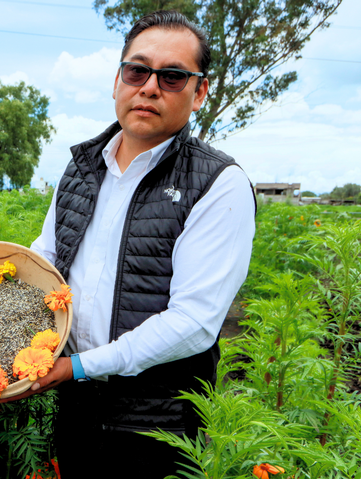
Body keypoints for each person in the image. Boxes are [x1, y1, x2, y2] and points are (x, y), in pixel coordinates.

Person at [23, 10, 256, 477]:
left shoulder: (218, 184)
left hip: (156, 427)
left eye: (172, 77)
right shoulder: (81, 168)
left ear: (199, 93)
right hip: (77, 411)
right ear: (117, 80)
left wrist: (79, 366)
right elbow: (47, 259)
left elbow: (193, 322)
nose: (149, 87)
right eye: (137, 71)